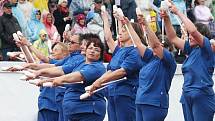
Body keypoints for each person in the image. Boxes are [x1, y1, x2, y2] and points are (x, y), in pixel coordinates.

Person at [161, 2, 215, 121]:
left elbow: (194, 31)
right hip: (187, 96)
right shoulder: (190, 49)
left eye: (191, 35)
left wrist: (178, 12)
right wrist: (166, 19)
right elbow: (173, 38)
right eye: (189, 35)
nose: (189, 36)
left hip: (202, 96)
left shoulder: (207, 48)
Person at [88, 9, 143, 121]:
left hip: (126, 95)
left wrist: (99, 82)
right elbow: (108, 39)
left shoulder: (136, 51)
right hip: (113, 94)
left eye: (124, 30)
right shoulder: (120, 50)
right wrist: (105, 18)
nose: (120, 33)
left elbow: (122, 72)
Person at [37, 36, 106, 121]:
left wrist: (58, 80)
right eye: (90, 48)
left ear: (101, 54)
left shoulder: (98, 67)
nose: (92, 51)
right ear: (86, 50)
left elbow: (77, 76)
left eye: (97, 50)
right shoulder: (80, 62)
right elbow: (61, 70)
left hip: (88, 111)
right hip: (71, 111)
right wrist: (40, 75)